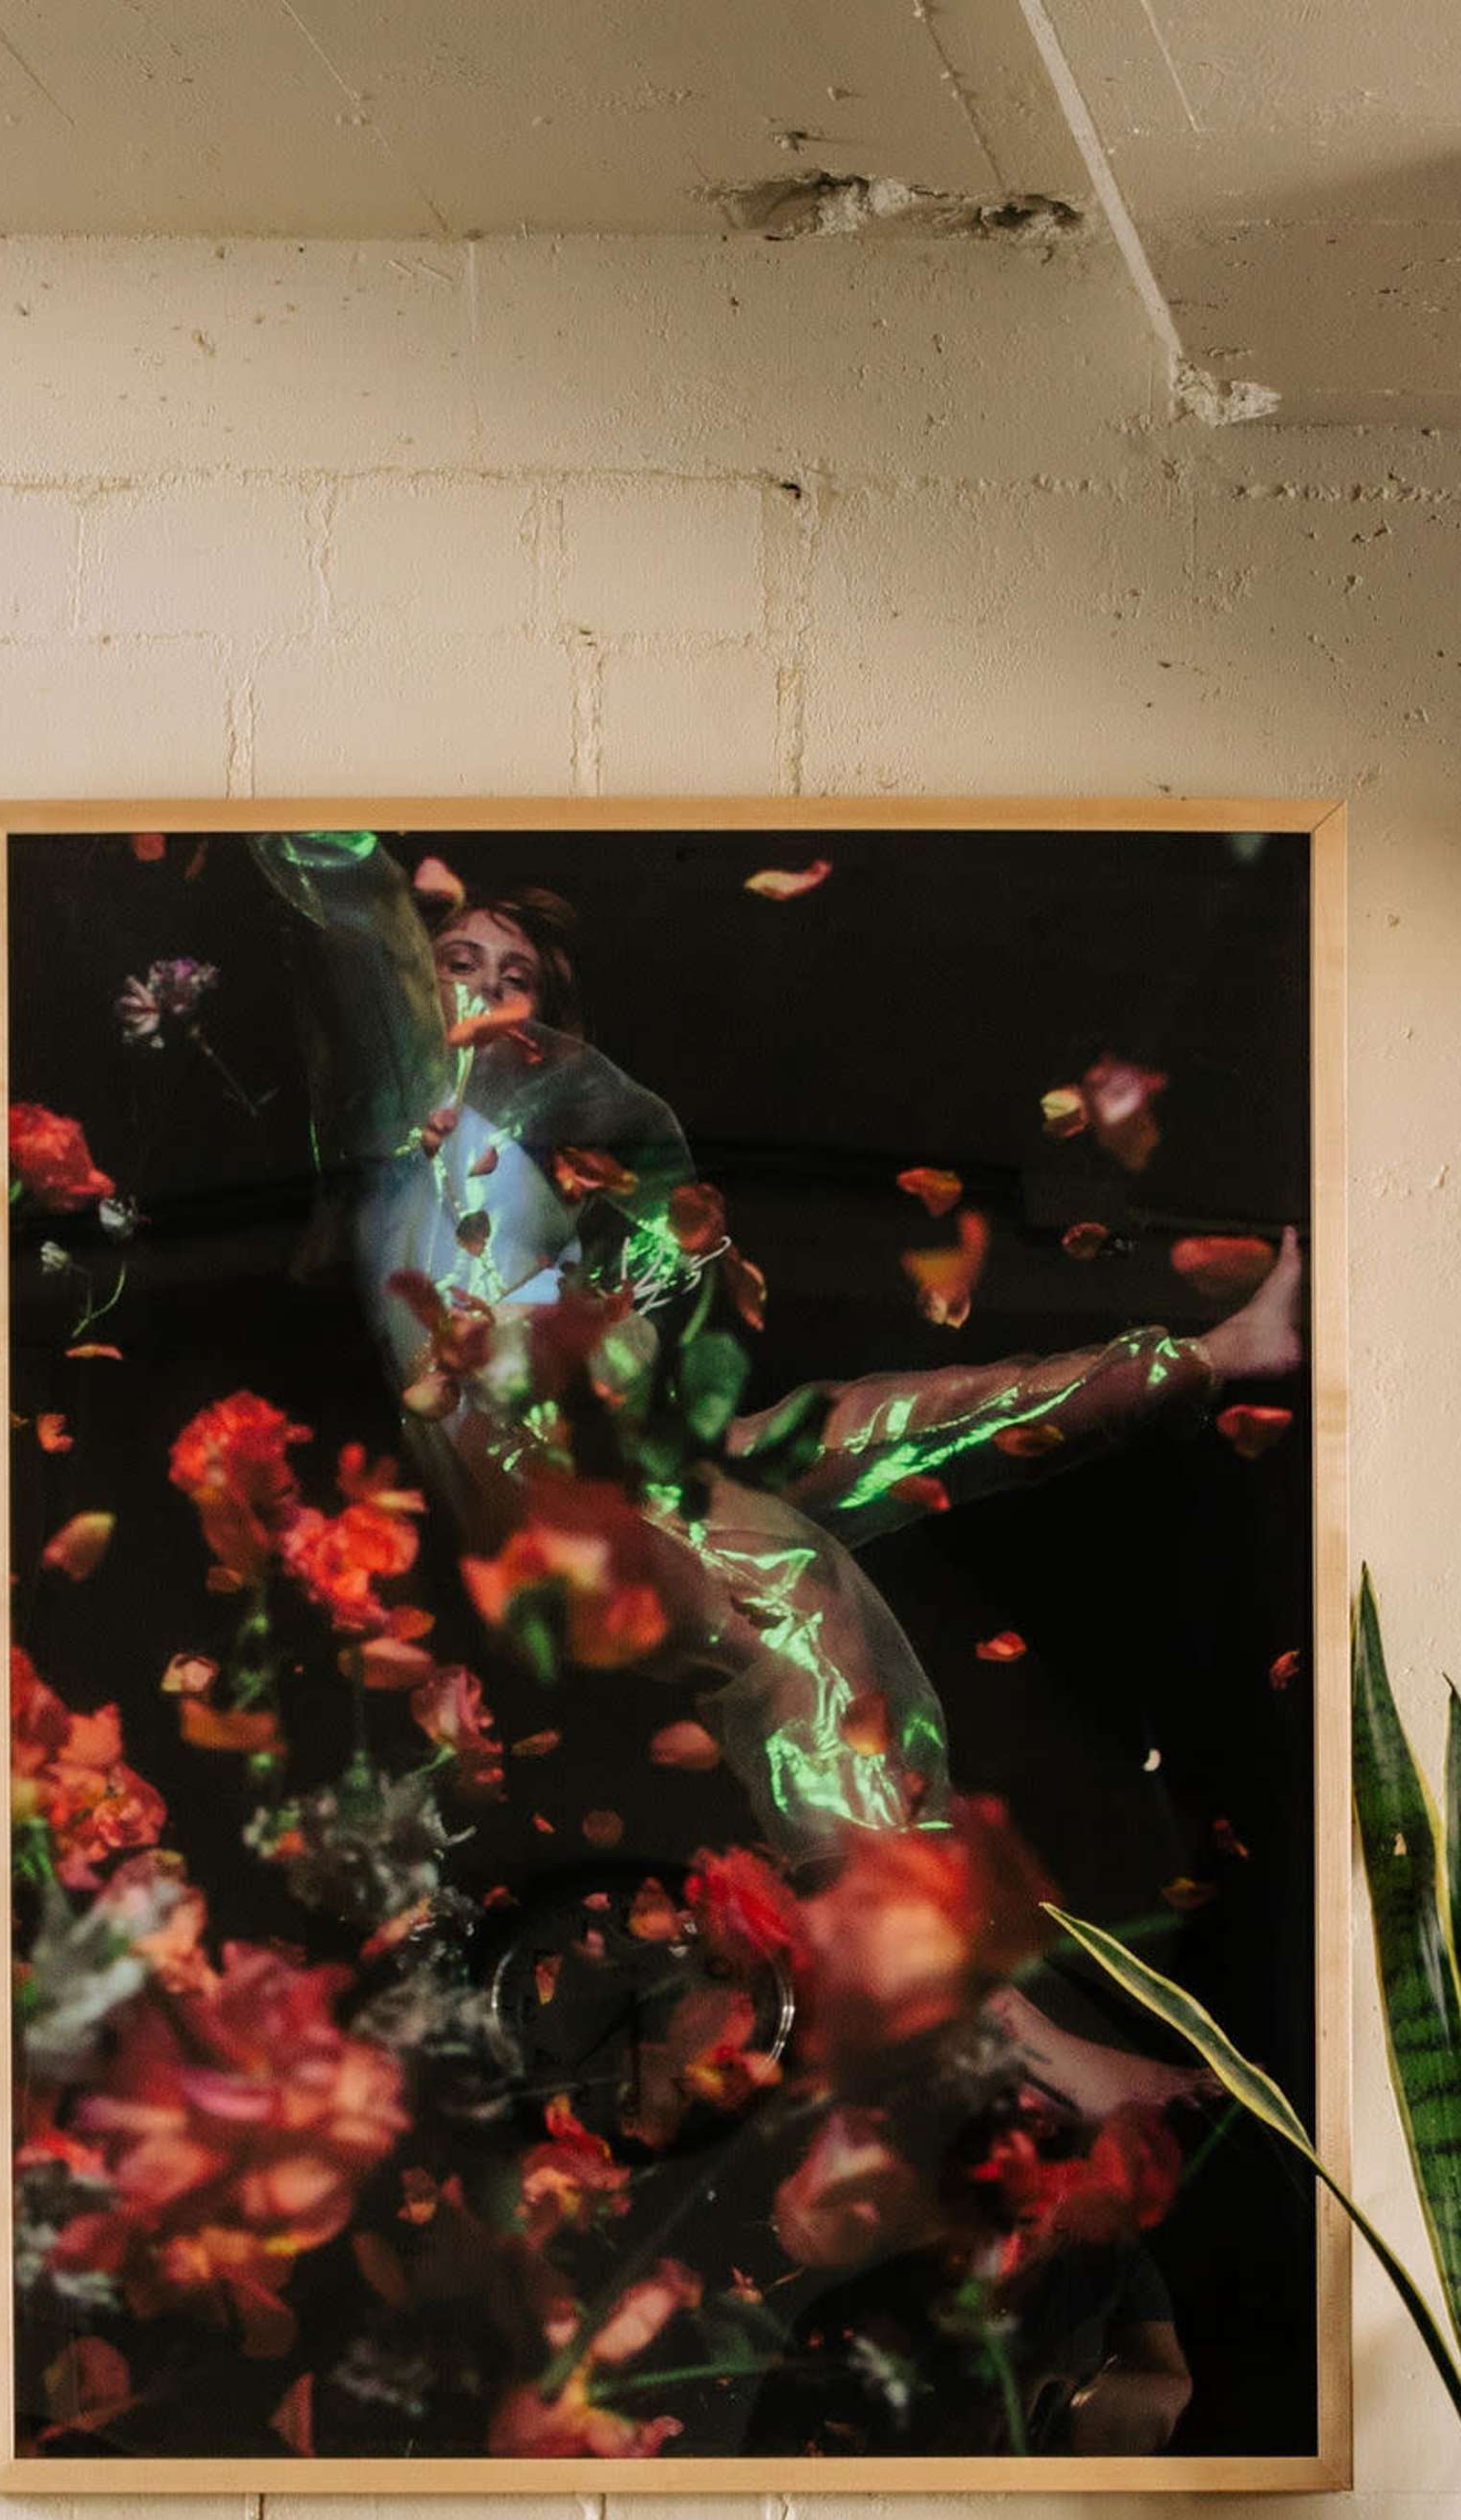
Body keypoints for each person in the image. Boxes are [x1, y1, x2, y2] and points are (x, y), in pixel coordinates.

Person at [252, 834, 1301, 2162]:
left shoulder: (545, 1157)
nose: (489, 991)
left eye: (518, 978)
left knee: (884, 1426)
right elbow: (355, 909)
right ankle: (1001, 2038)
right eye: (463, 961)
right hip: (530, 1475)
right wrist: (330, 829)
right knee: (795, 1596)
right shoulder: (412, 1098)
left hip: (619, 1449)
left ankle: (1217, 1358)